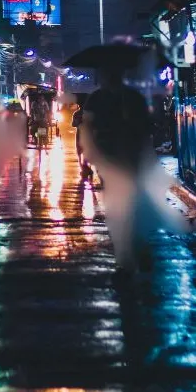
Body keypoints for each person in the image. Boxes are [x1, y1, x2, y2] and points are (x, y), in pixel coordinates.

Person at [80, 67, 187, 272]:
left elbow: (89, 124)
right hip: (115, 155)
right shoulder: (126, 97)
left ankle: (129, 236)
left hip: (121, 154)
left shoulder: (105, 98)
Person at [71, 94, 92, 179]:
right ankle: (85, 167)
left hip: (82, 134)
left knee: (80, 152)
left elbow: (73, 124)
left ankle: (84, 167)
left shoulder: (77, 114)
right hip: (87, 135)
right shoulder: (88, 113)